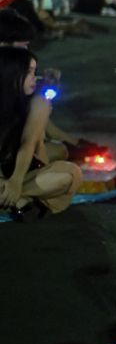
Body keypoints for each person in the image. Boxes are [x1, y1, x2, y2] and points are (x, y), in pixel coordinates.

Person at [0, 47, 82, 220]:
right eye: (28, 72)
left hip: (23, 169)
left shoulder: (37, 101)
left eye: (35, 71)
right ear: (11, 74)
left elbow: (28, 142)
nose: (34, 78)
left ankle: (18, 198)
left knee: (70, 173)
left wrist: (15, 181)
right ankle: (19, 201)